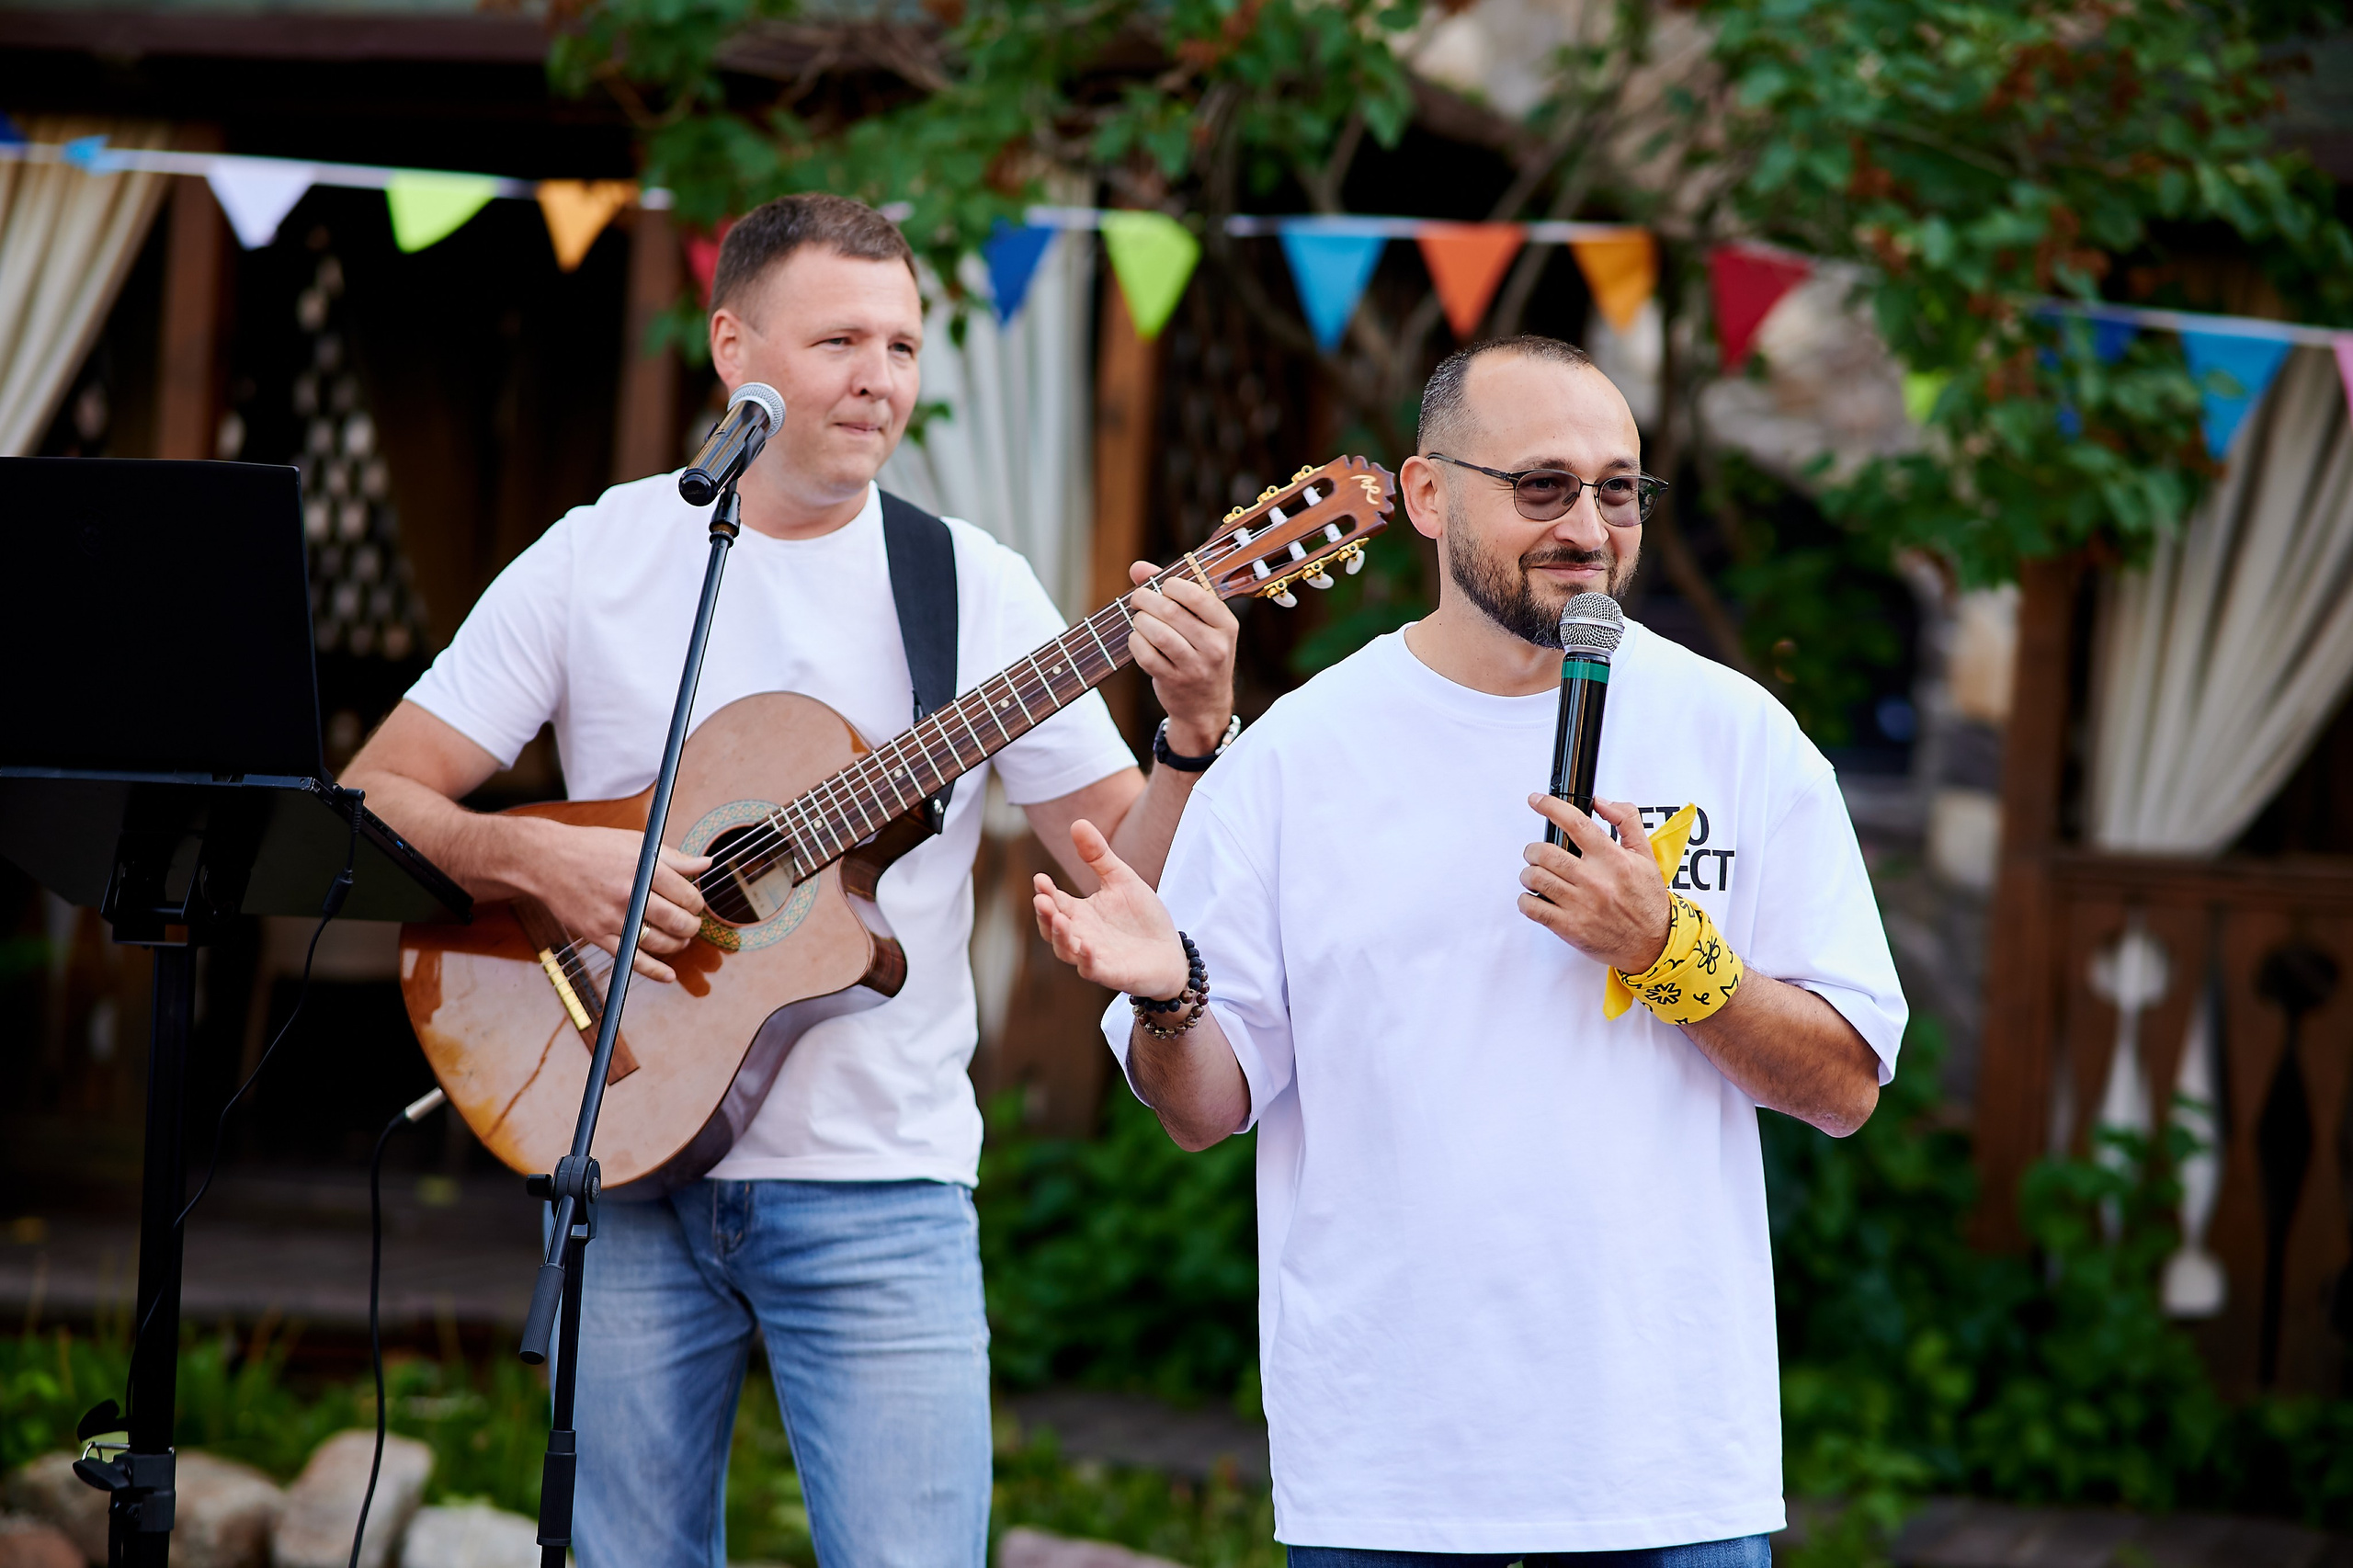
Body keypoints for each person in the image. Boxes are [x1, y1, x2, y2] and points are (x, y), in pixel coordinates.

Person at [342, 193, 1244, 1568]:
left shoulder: (970, 587)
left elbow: (1135, 876)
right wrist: (538, 856)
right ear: (734, 349)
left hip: (884, 1186)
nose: (879, 377)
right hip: (620, 1148)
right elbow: (373, 795)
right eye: (839, 342)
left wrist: (1191, 735)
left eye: (903, 345)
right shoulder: (599, 556)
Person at [1029, 335, 1907, 1566]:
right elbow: (1200, 1109)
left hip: (1662, 1478)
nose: (1588, 528)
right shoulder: (1295, 757)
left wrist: (1667, 948)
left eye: (1619, 490)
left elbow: (1846, 1084)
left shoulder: (1739, 734)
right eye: (1543, 486)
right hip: (1388, 1479)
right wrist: (1175, 997)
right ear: (1430, 495)